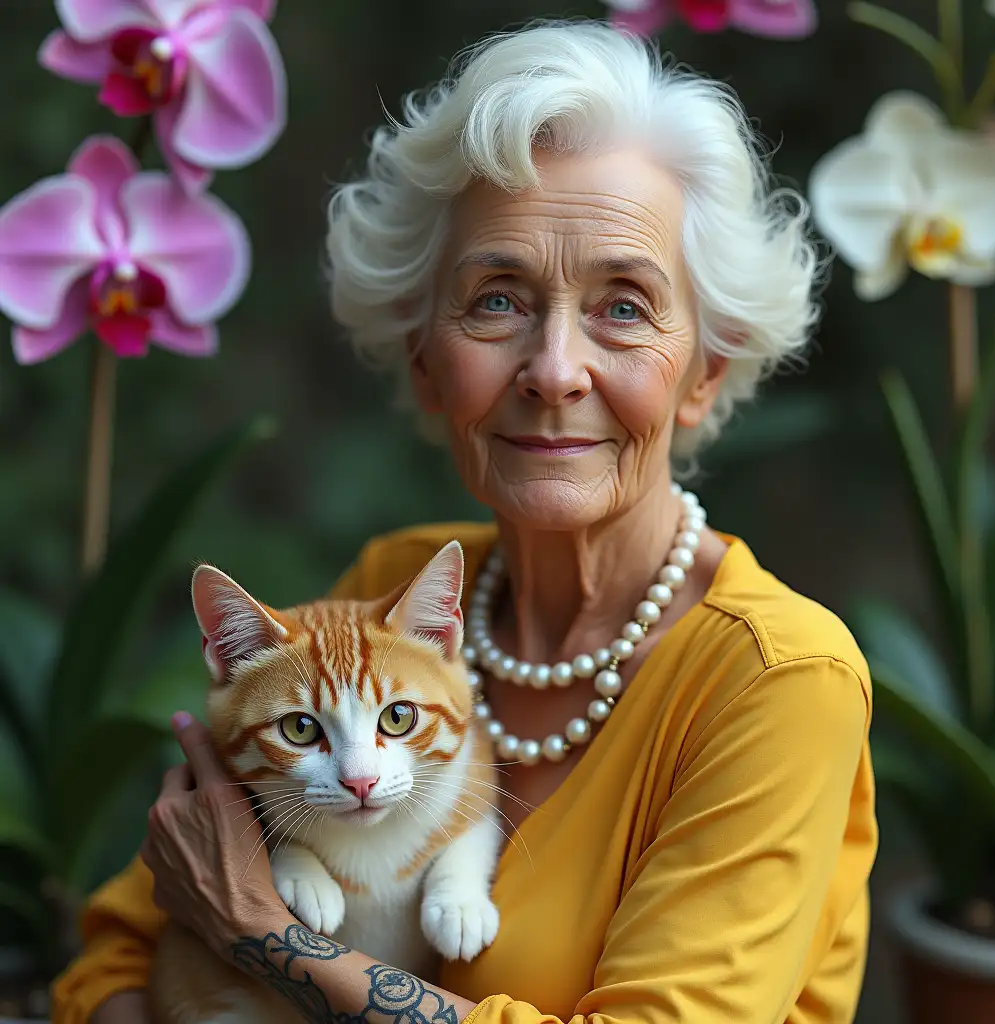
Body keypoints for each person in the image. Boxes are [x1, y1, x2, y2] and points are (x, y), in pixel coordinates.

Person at [52, 19, 877, 1024]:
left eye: (623, 305)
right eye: (497, 300)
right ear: (422, 355)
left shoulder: (780, 677)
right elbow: (124, 945)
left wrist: (269, 939)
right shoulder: (383, 596)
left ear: (704, 370)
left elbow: (226, 911)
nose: (554, 368)